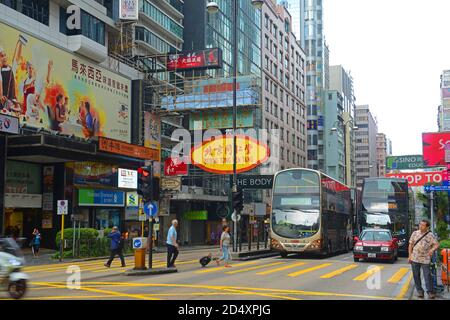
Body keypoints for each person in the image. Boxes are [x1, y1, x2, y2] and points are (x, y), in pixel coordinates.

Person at [408, 219, 440, 299]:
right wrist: (409, 256)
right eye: (420, 224)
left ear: (427, 227)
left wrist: (432, 250)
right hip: (415, 258)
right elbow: (410, 245)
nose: (420, 226)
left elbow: (436, 244)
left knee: (427, 275)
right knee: (416, 275)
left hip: (425, 259)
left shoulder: (430, 235)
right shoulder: (415, 233)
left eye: (423, 225)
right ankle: (420, 291)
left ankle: (430, 292)